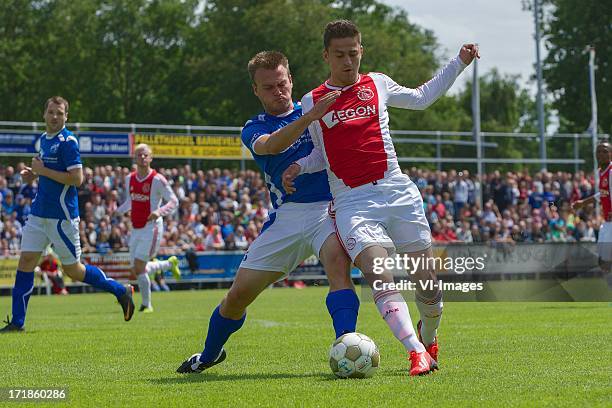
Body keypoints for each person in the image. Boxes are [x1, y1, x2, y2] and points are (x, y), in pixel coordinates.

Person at [282, 20, 478, 375]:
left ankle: (428, 333)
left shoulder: (378, 83)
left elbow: (421, 98)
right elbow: (320, 155)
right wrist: (298, 166)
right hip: (353, 202)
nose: (347, 61)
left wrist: (458, 63)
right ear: (326, 55)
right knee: (379, 272)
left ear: (361, 51)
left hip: (397, 191)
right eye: (339, 55)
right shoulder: (312, 101)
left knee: (428, 287)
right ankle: (415, 351)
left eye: (353, 54)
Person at [176, 51, 356, 374]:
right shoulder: (254, 127)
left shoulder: (314, 109)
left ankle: (347, 346)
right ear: (256, 91)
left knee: (338, 265)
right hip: (285, 218)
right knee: (237, 297)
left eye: (282, 83)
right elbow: (272, 146)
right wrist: (308, 118)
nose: (278, 91)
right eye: (269, 86)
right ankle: (208, 355)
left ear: (291, 80)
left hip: (325, 210)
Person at [1, 96, 134, 333]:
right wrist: (33, 174)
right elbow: (48, 172)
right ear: (44, 114)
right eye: (51, 112)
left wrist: (43, 170)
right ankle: (17, 322)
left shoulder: (68, 141)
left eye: (59, 113)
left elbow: (77, 178)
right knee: (25, 263)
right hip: (39, 213)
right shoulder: (43, 139)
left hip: (61, 218)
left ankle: (120, 290)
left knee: (73, 270)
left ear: (66, 117)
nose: (54, 117)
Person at [114, 144, 181, 313]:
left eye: (145, 155)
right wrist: (117, 212)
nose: (142, 158)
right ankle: (168, 264)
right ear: (134, 158)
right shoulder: (130, 178)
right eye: (139, 155)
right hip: (135, 228)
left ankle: (147, 305)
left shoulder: (157, 180)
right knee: (137, 268)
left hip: (151, 228)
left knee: (138, 266)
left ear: (150, 158)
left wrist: (159, 212)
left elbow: (173, 200)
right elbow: (130, 201)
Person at [572, 141, 611, 274]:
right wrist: (583, 202)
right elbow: (603, 194)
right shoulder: (602, 172)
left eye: (605, 151)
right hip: (607, 223)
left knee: (605, 261)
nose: (601, 154)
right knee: (603, 261)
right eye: (598, 151)